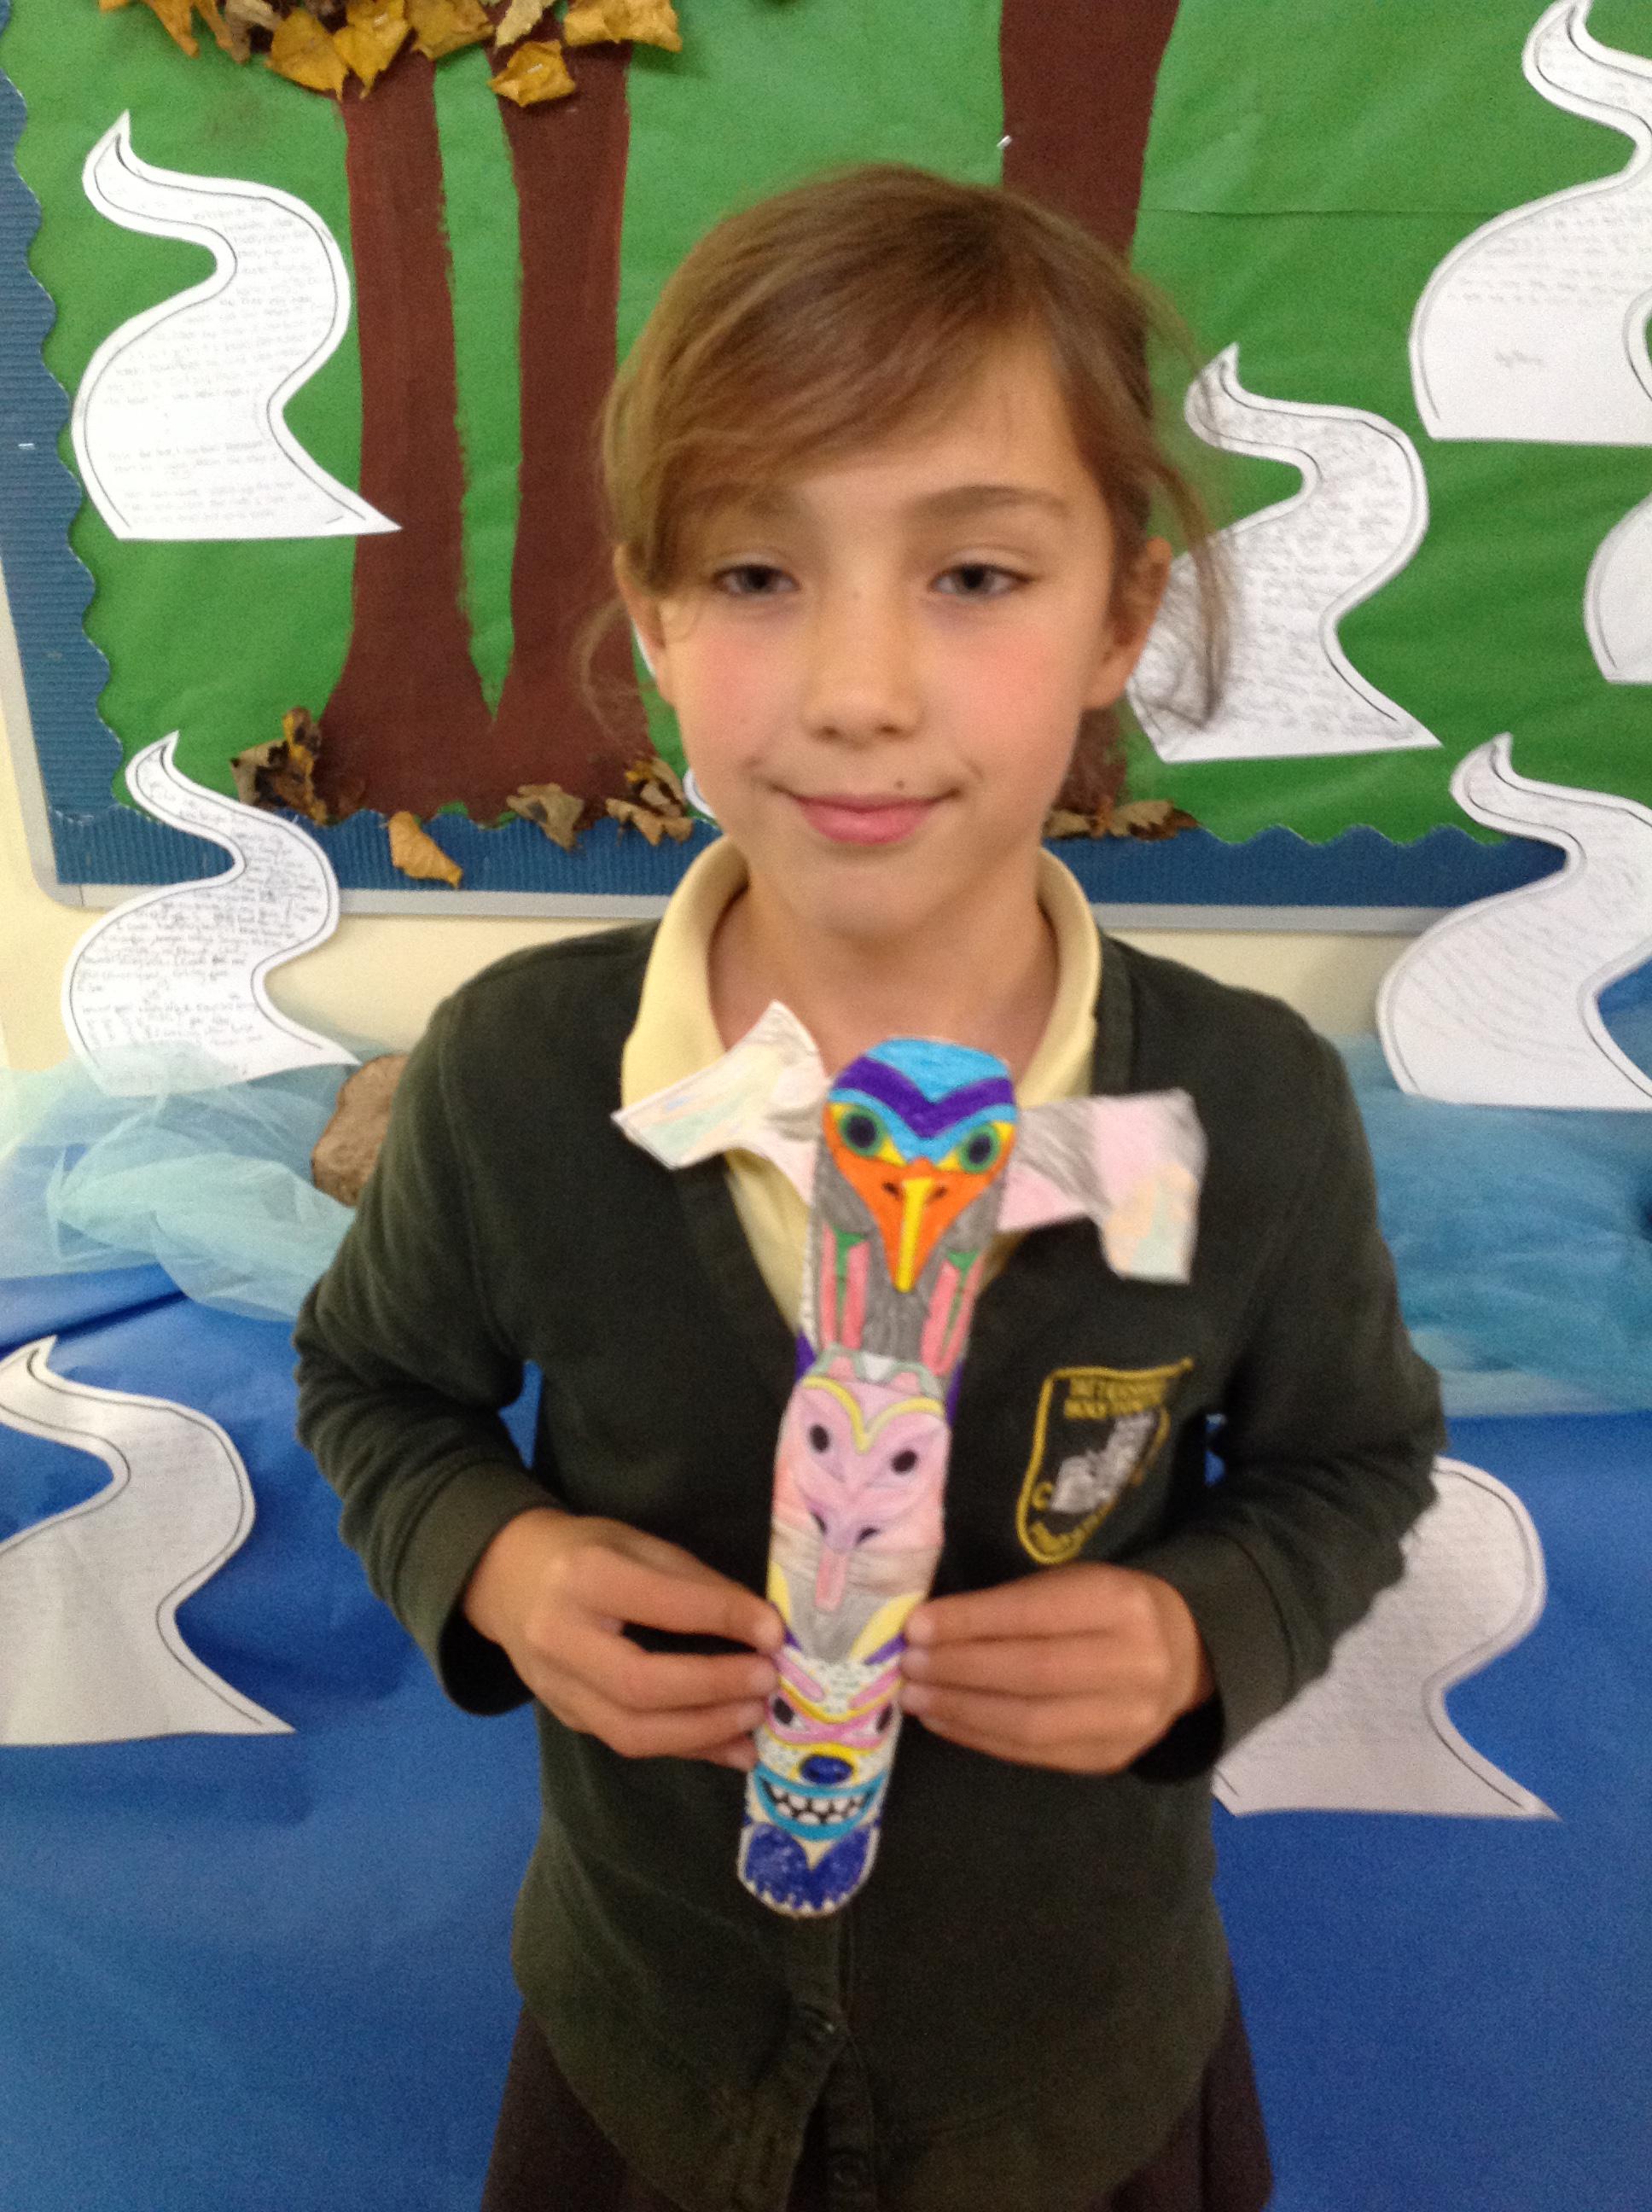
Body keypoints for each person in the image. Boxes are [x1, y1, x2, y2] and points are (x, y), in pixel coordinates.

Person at [292, 163, 1444, 2212]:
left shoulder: (1242, 1110)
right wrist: (496, 1560)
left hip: (1072, 2072)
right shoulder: (520, 1081)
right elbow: (375, 1390)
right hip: (651, 2050)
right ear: (652, 614)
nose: (856, 689)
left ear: (1118, 618)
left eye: (973, 574)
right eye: (754, 573)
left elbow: (1344, 1465)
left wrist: (1206, 1626)